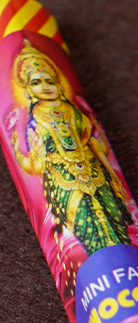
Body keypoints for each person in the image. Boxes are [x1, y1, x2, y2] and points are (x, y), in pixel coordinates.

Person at [10, 43, 131, 253]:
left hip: (96, 174)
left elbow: (96, 146)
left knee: (114, 219)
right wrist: (19, 153)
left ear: (59, 85)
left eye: (50, 81)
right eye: (36, 82)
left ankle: (126, 259)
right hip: (62, 181)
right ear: (28, 89)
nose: (45, 86)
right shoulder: (35, 121)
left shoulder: (75, 112)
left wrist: (108, 167)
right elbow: (36, 166)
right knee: (86, 227)